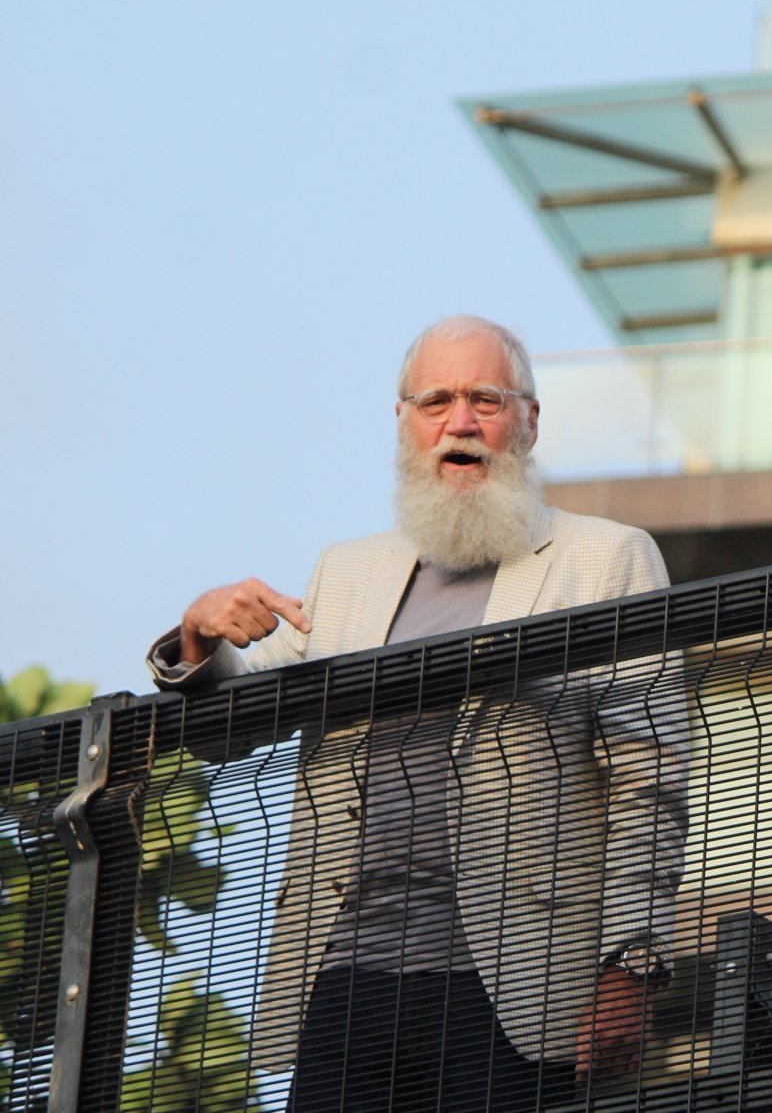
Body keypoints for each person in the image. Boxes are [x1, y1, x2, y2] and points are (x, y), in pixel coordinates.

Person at [148, 315, 688, 1113]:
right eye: (435, 401)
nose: (460, 422)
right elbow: (231, 735)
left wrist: (630, 964)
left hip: (514, 981)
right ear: (404, 424)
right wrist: (197, 640)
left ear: (529, 423)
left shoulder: (605, 556)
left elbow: (652, 776)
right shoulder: (348, 571)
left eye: (486, 399)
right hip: (343, 977)